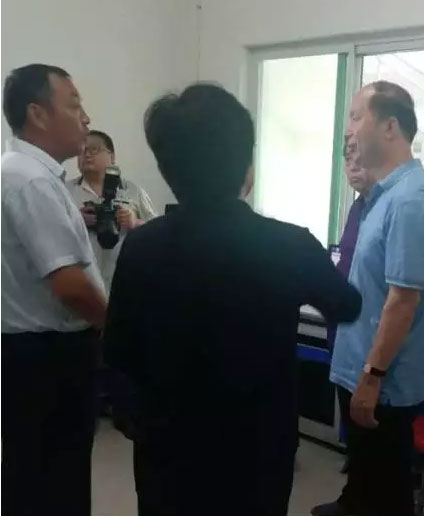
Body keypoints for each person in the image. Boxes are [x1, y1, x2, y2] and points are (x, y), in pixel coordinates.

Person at [102, 83, 362, 516]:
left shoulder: (143, 246)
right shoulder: (288, 245)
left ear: (168, 170)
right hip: (256, 451)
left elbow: (118, 351)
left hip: (169, 450)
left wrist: (136, 421)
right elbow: (347, 305)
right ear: (246, 166)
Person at [313, 81, 424, 516]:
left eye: (357, 117)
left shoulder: (412, 201)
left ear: (390, 127)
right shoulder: (380, 198)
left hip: (382, 385)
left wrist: (371, 377)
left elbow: (402, 302)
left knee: (385, 494)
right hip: (357, 368)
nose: (349, 130)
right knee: (366, 482)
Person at [1, 64, 107, 516]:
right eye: (75, 105)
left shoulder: (25, 173)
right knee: (54, 481)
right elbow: (70, 286)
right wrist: (118, 329)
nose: (86, 118)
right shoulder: (31, 181)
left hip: (32, 357)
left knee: (35, 475)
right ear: (37, 114)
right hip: (48, 360)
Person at [328, 140, 374, 474]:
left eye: (359, 158)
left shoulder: (386, 207)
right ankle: (354, 472)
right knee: (346, 402)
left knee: (366, 418)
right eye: (348, 160)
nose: (353, 166)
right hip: (341, 323)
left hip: (365, 330)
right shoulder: (358, 208)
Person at [67, 129, 157, 294]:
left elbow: (157, 231)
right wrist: (76, 220)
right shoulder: (65, 191)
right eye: (82, 151)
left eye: (94, 149)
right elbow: (47, 230)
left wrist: (135, 222)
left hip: (126, 282)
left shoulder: (133, 191)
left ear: (112, 156)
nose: (87, 154)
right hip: (82, 284)